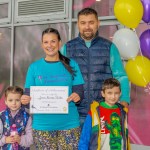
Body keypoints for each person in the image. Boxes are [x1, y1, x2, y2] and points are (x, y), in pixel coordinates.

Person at [60, 7, 130, 128]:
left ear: (98, 23)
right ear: (78, 24)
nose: (87, 26)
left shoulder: (109, 47)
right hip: (74, 114)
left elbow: (121, 76)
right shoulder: (67, 48)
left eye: (91, 22)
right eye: (83, 23)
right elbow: (60, 78)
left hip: (103, 111)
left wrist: (124, 101)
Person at [21, 28, 84, 149]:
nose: (49, 45)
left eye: (53, 41)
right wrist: (25, 101)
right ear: (42, 44)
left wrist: (77, 96)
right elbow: (28, 98)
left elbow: (80, 91)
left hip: (69, 125)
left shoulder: (72, 64)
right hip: (42, 127)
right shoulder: (34, 68)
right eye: (46, 42)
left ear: (59, 43)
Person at [78, 78, 130, 150]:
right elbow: (85, 137)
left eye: (116, 93)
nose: (113, 96)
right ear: (103, 93)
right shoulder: (94, 112)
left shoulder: (123, 112)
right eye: (109, 93)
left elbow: (125, 137)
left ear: (120, 93)